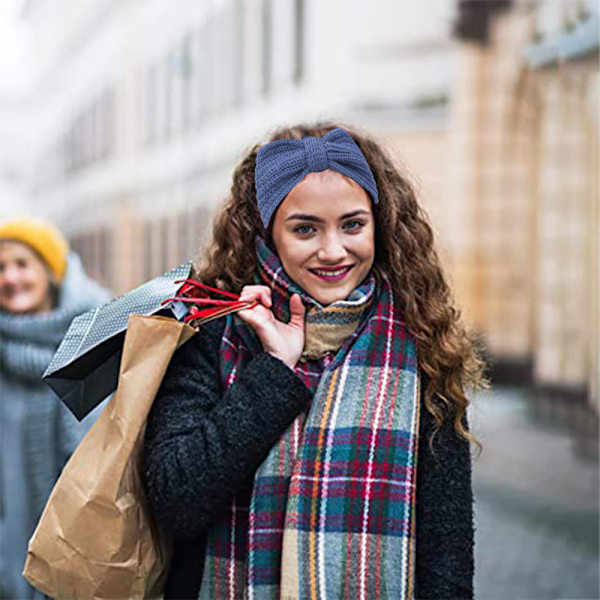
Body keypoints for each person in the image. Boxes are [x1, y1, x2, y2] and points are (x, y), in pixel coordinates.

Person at [143, 124, 486, 599]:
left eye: (352, 224)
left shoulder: (423, 347)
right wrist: (274, 373)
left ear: (378, 226)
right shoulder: (212, 335)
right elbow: (178, 501)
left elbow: (445, 556)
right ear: (266, 234)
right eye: (305, 228)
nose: (332, 250)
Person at [0, 217, 111, 599]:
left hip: (88, 559)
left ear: (50, 271)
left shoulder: (103, 339)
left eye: (21, 263)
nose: (10, 278)